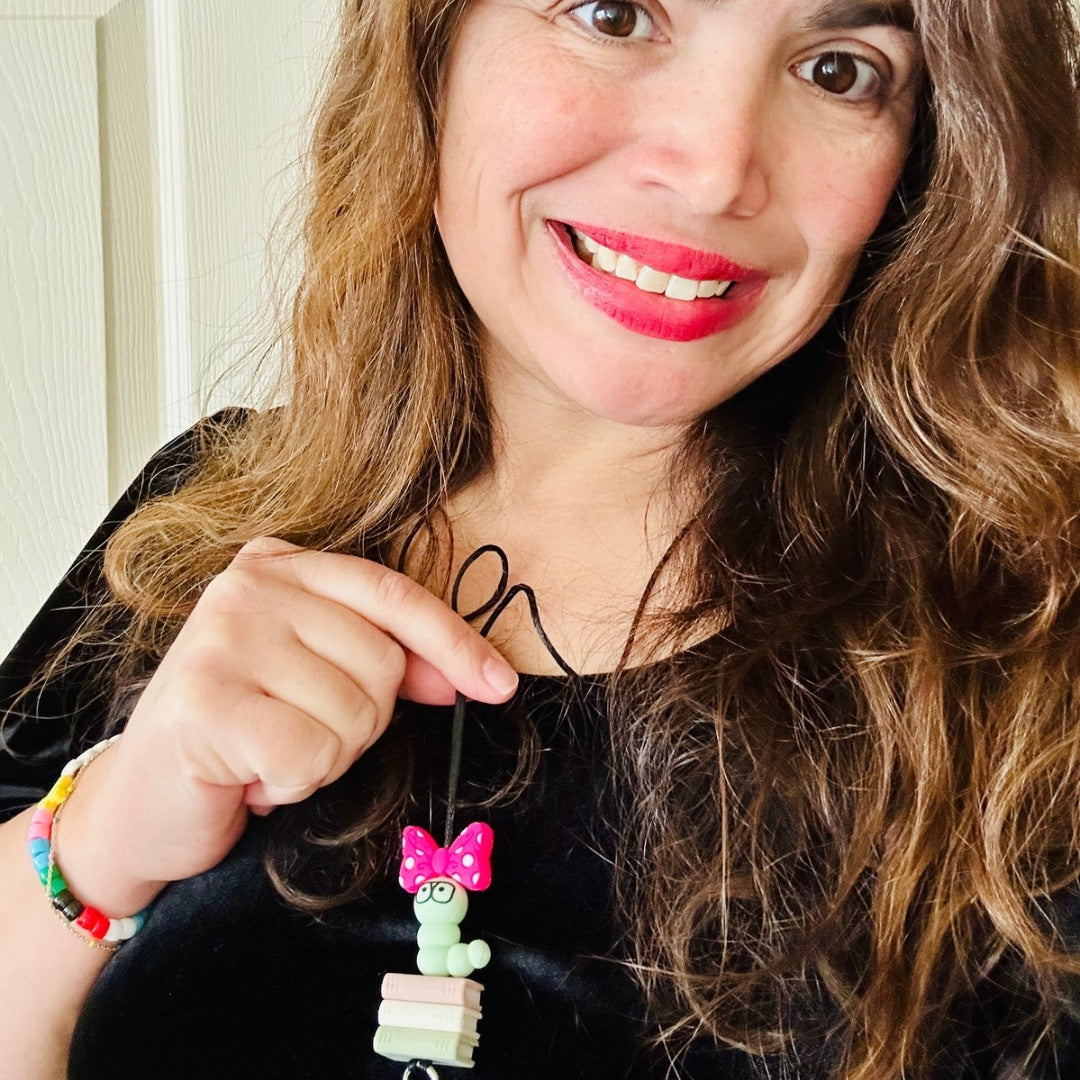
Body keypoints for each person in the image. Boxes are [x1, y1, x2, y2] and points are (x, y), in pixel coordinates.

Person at [3, 0, 1080, 1075]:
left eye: (840, 70)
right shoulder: (202, 511)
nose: (714, 169)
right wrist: (99, 844)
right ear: (430, 49)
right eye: (613, 15)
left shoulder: (1040, 675)